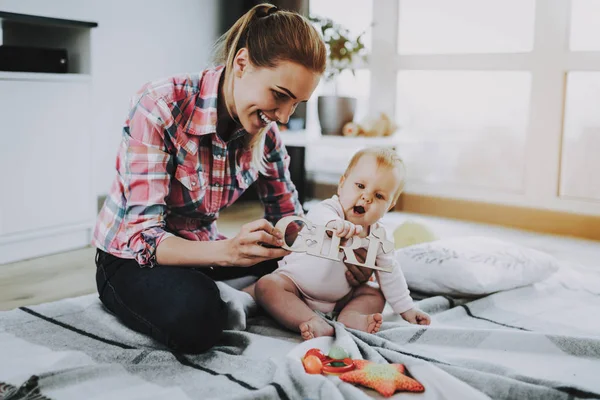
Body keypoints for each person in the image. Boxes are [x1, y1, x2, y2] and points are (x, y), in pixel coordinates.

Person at [92, 3, 373, 354]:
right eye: (280, 96)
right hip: (132, 258)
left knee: (322, 267)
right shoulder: (160, 105)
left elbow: (290, 217)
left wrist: (337, 251)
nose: (284, 117)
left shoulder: (265, 132)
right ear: (241, 64)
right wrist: (227, 252)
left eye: (296, 103)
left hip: (206, 250)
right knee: (197, 318)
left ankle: (247, 292)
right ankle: (236, 293)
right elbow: (143, 238)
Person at [255, 147, 431, 340]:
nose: (367, 197)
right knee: (267, 285)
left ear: (389, 207)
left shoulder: (381, 236)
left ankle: (351, 318)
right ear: (342, 185)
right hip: (296, 286)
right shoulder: (329, 210)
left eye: (379, 196)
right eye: (360, 186)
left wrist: (407, 308)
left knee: (374, 293)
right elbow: (318, 217)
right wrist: (334, 225)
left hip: (340, 298)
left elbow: (391, 273)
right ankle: (311, 320)